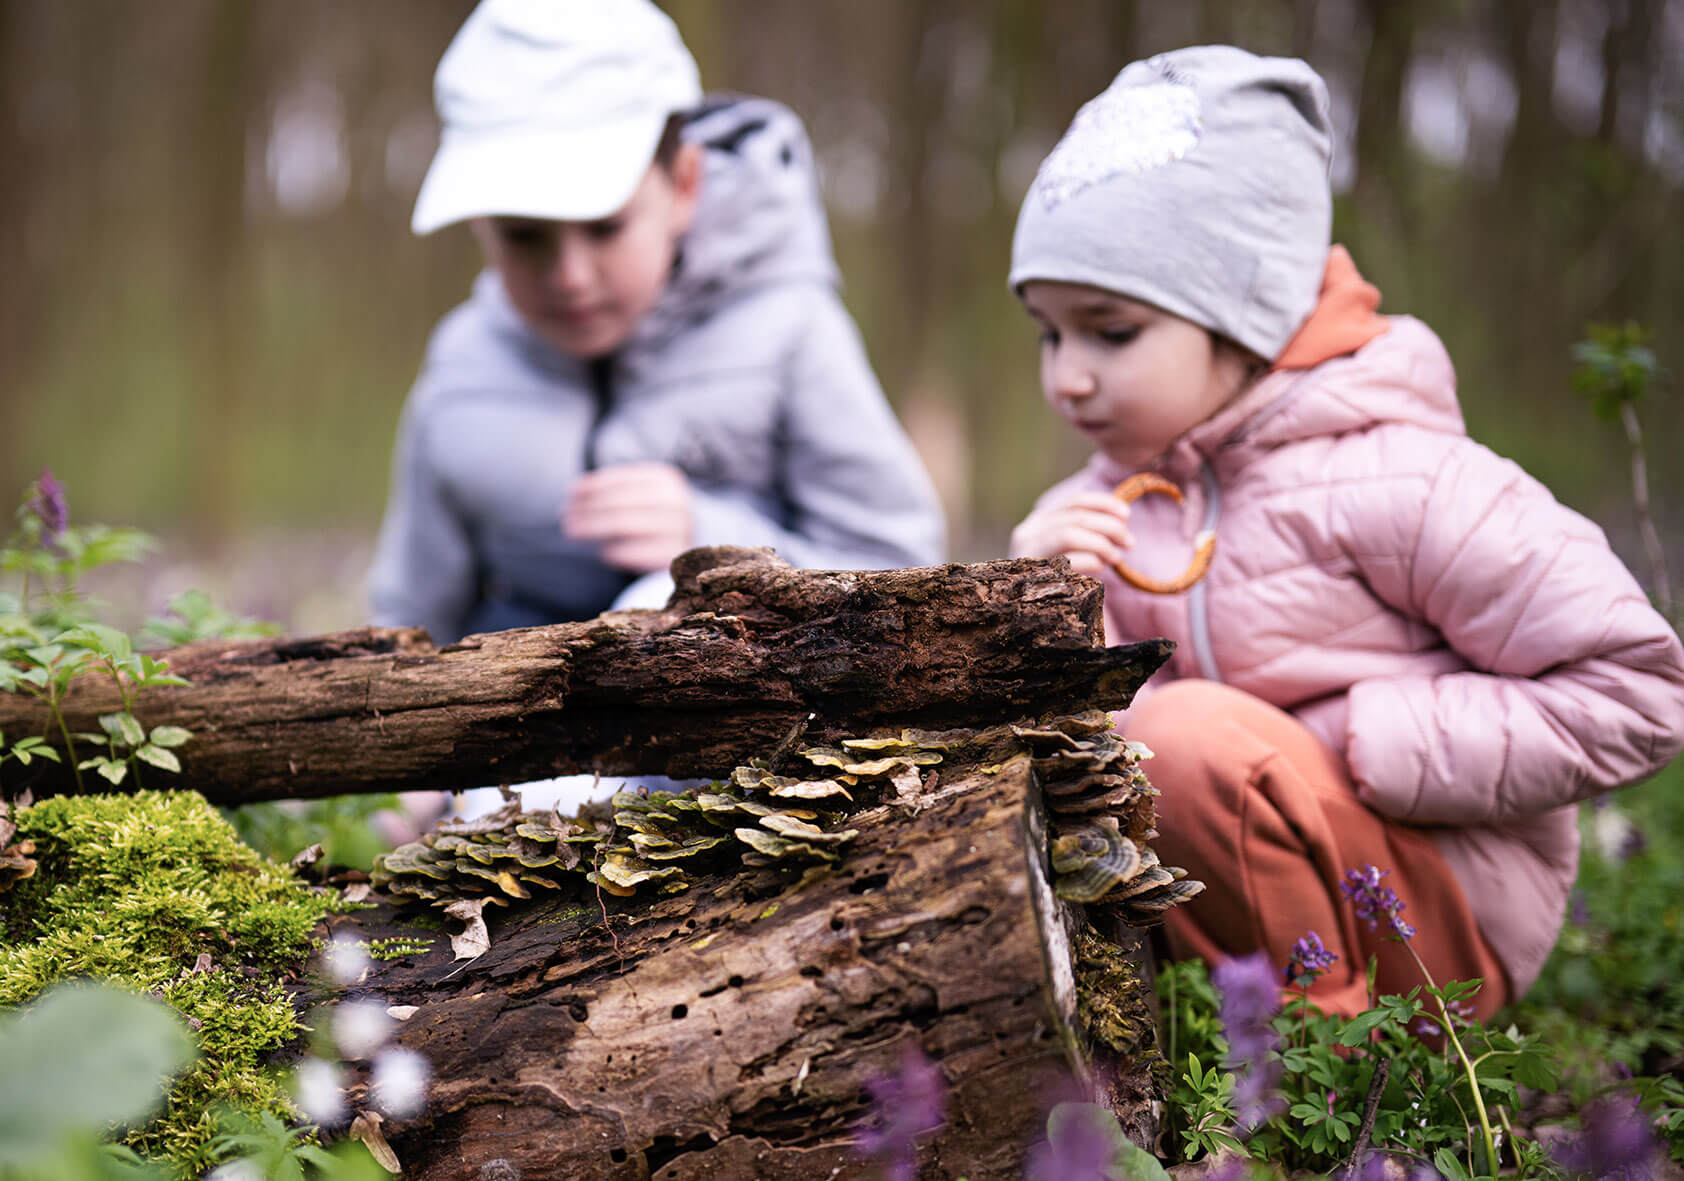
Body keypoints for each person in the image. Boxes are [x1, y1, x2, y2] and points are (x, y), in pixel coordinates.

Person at [1004, 45, 1684, 1022]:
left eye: (1110, 332)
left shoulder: (1401, 478)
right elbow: (1073, 752)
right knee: (1155, 750)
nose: (1068, 374)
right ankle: (1175, 1044)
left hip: (1429, 929)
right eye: (1047, 332)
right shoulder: (1102, 504)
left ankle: (1331, 1091)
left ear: (1248, 321)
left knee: (1181, 743)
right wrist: (1029, 608)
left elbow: (1640, 688)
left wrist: (1359, 737)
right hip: (1223, 899)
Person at [366, 0, 946, 647]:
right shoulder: (464, 364)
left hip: (742, 715)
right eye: (524, 236)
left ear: (685, 185)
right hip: (514, 721)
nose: (570, 275)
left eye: (605, 226)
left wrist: (711, 538)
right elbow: (411, 614)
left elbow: (904, 563)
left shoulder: (788, 331)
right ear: (480, 225)